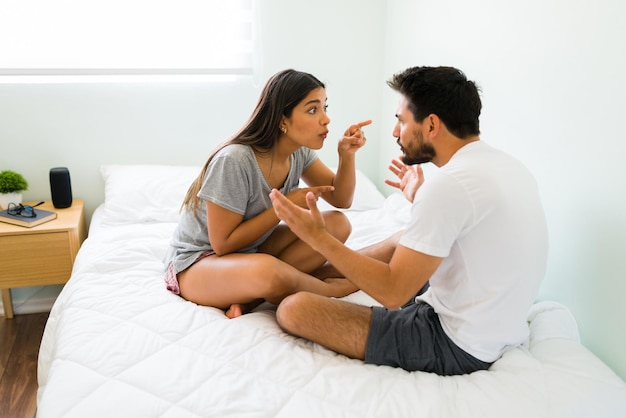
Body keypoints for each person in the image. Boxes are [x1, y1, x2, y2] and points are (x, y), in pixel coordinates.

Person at [269, 66, 548, 376]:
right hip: (498, 324)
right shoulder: (505, 166)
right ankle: (323, 278)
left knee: (293, 309)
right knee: (404, 237)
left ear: (431, 125)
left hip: (457, 344)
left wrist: (318, 237)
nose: (394, 132)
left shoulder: (449, 185)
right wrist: (421, 198)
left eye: (401, 121)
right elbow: (470, 226)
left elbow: (393, 294)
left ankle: (319, 281)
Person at [164, 69, 371, 318]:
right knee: (269, 271)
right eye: (313, 110)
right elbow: (223, 245)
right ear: (282, 119)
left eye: (325, 108)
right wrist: (282, 208)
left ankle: (251, 299)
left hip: (251, 250)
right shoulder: (235, 161)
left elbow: (341, 199)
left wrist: (346, 156)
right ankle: (334, 290)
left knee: (337, 224)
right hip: (198, 262)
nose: (326, 119)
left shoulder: (299, 153)